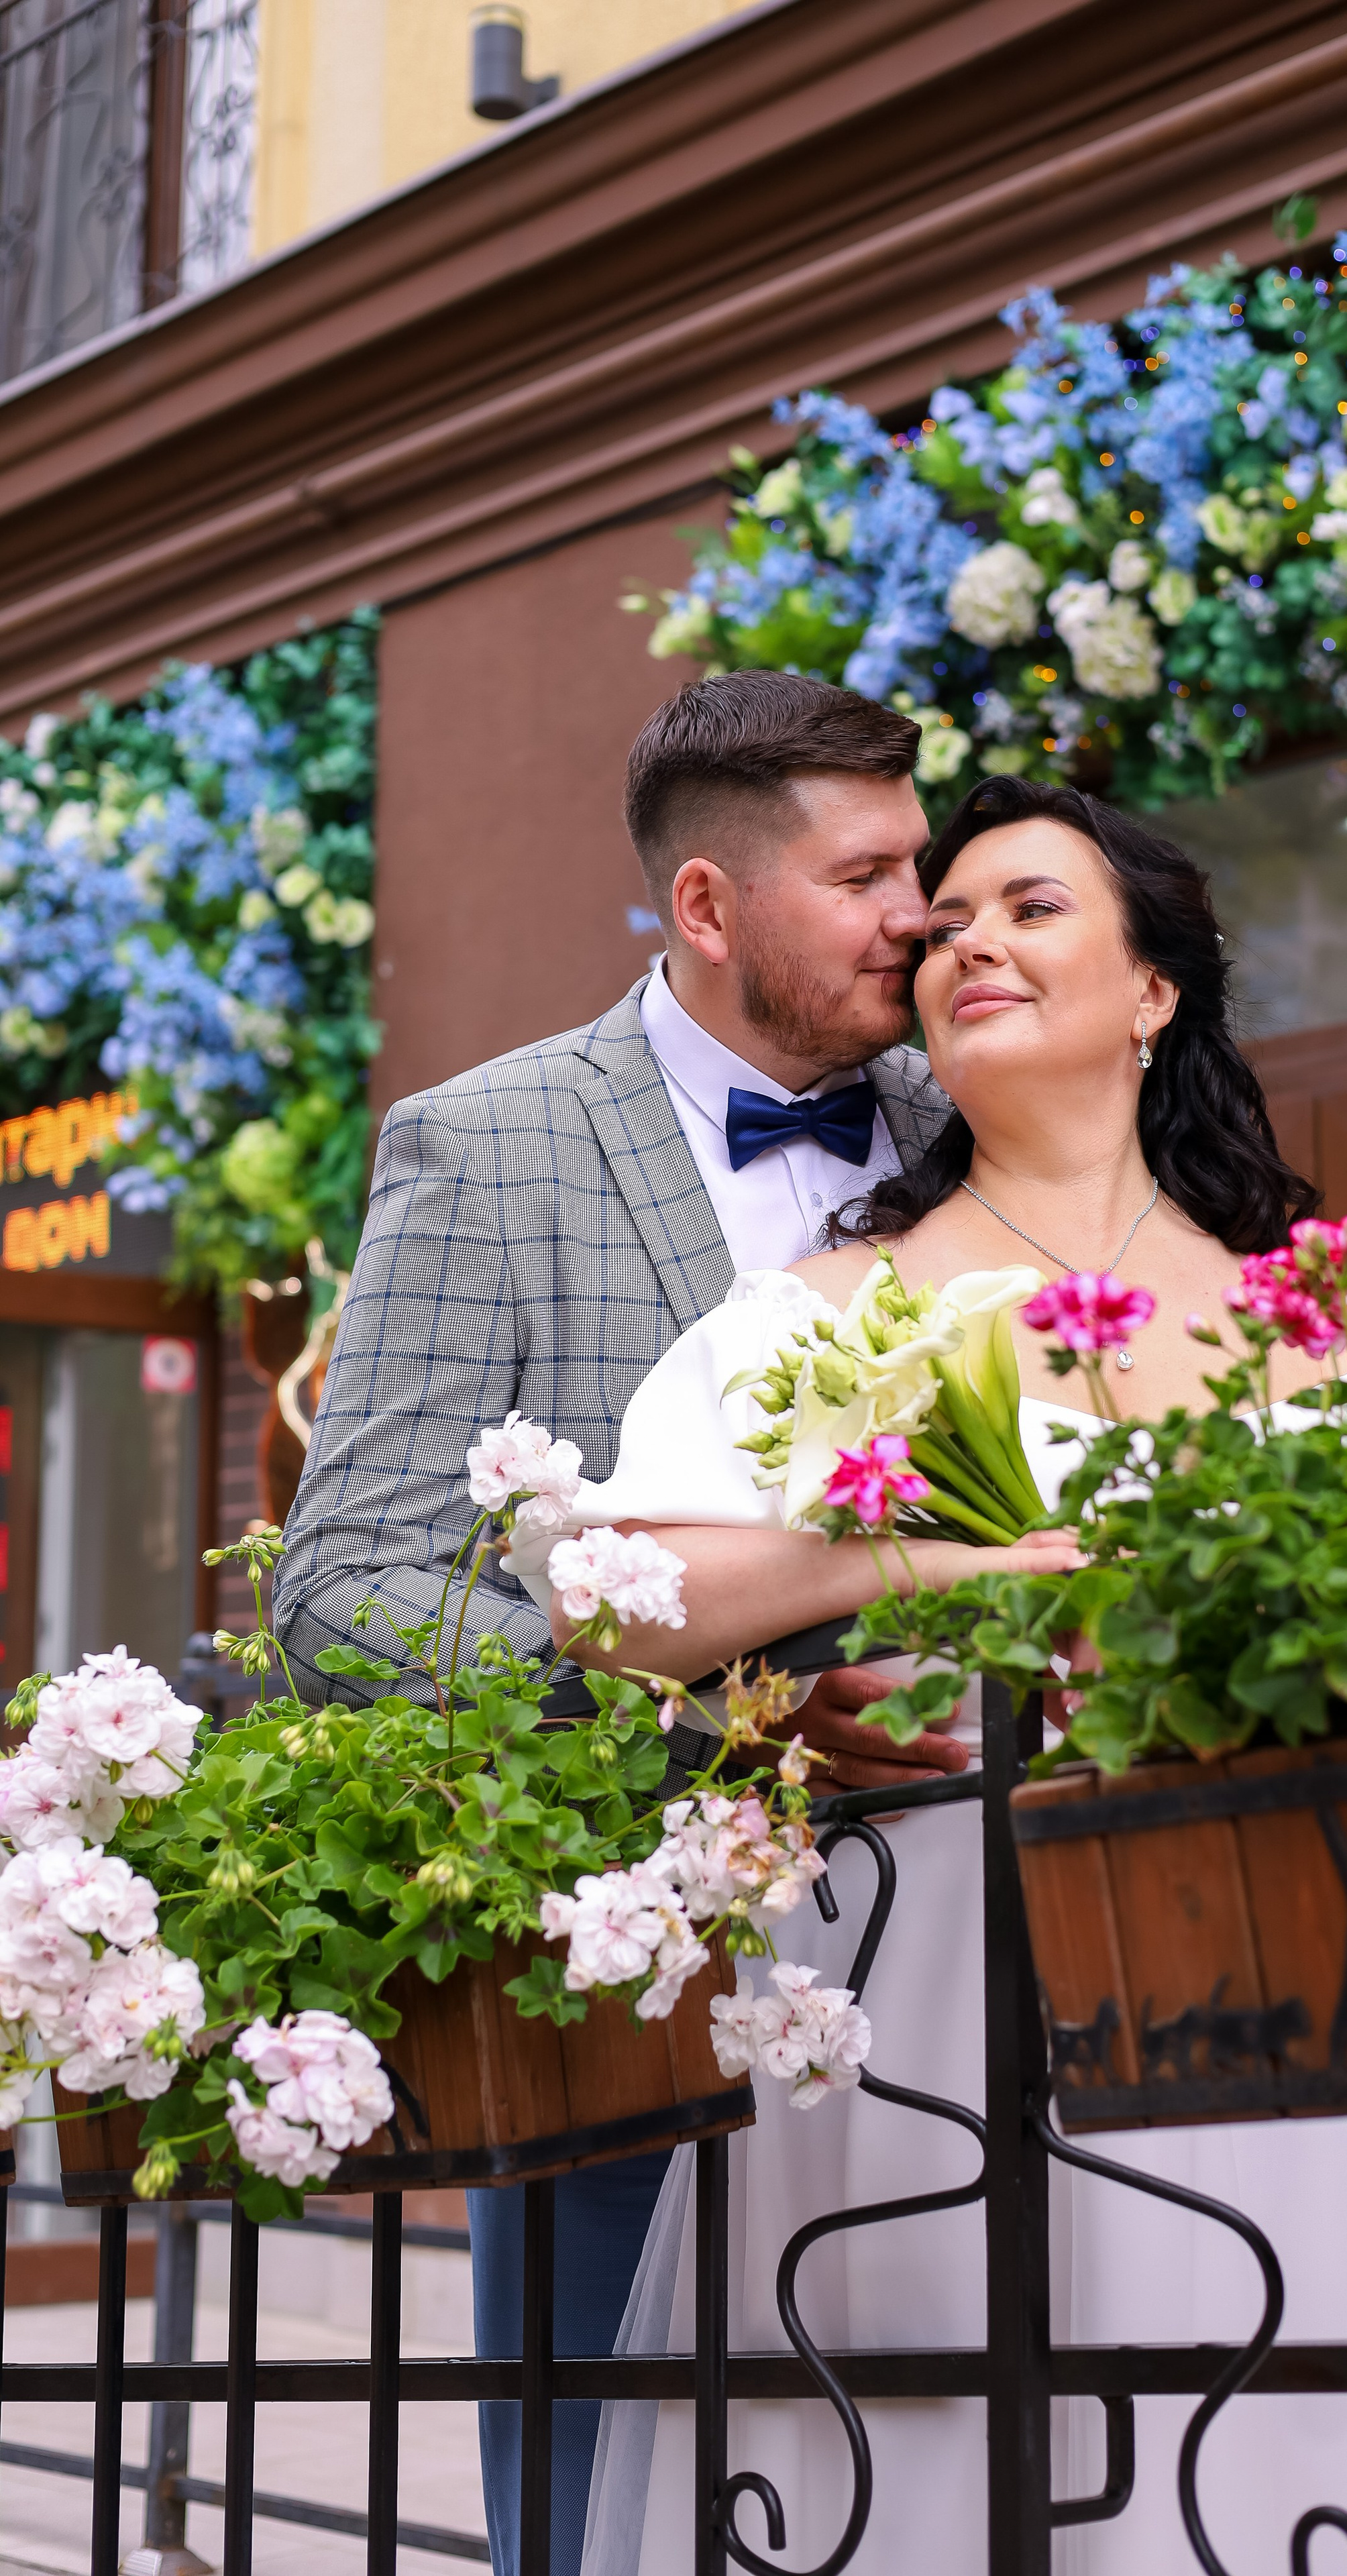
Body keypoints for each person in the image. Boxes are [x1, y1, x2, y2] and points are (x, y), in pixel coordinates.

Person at [555, 776, 1347, 2575]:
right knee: (904, 2469)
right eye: (950, 927)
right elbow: (618, 1597)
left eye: (1032, 907)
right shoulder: (834, 1306)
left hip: (1223, 1959)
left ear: (1156, 992)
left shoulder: (1307, 1325)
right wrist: (917, 1552)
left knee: (1229, 2448)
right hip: (908, 1978)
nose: (971, 942)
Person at [272, 671, 1044, 2574]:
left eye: (921, 864)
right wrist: (710, 1708)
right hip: (642, 1984)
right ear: (709, 906)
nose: (920, 914)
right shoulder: (490, 1145)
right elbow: (345, 1588)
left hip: (983, 1963)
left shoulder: (989, 1119)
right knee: (619, 2501)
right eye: (868, 874)